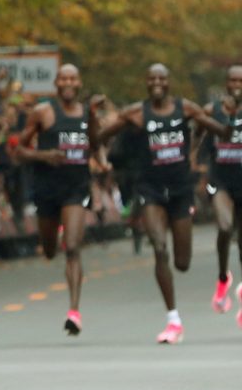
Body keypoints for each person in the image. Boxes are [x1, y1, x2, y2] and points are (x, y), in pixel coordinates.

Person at [94, 64, 230, 344]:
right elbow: (99, 138)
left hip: (180, 189)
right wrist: (92, 118)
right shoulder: (135, 113)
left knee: (182, 263)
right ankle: (173, 319)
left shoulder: (186, 108)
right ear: (146, 83)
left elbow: (221, 131)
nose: (157, 82)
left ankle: (214, 280)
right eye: (152, 78)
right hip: (150, 189)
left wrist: (228, 115)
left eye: (162, 78)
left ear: (169, 83)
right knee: (159, 247)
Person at [15, 64, 95, 336]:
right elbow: (18, 150)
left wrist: (102, 162)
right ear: (56, 83)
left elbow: (98, 143)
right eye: (63, 78)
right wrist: (44, 156)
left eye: (73, 77)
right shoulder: (43, 112)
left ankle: (74, 312)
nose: (68, 82)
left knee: (72, 247)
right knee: (50, 250)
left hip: (76, 188)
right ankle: (52, 239)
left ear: (79, 82)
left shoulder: (88, 113)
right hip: (47, 190)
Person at [201, 65, 242, 320]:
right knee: (225, 227)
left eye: (241, 80)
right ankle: (222, 277)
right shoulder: (212, 110)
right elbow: (198, 138)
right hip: (221, 180)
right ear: (226, 84)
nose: (236, 85)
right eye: (232, 80)